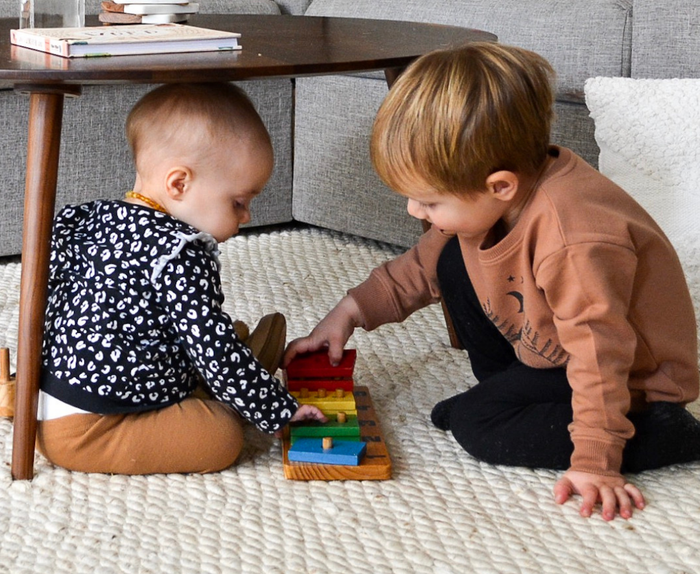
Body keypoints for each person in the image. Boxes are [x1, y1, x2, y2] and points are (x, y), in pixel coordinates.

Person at [285, 42, 700, 520]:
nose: (414, 211)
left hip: (630, 381)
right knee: (449, 258)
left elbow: (598, 353)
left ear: (500, 185)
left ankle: (667, 433)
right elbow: (419, 268)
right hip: (551, 352)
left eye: (429, 202)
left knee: (477, 426)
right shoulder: (496, 198)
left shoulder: (573, 239)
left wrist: (595, 460)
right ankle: (505, 392)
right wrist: (348, 313)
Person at [36, 82, 323, 475]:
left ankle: (232, 378)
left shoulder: (89, 219)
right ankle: (236, 390)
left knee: (199, 337)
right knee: (221, 436)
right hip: (94, 429)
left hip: (45, 401)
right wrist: (276, 411)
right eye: (238, 202)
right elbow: (211, 346)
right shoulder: (179, 253)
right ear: (179, 184)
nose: (246, 216)